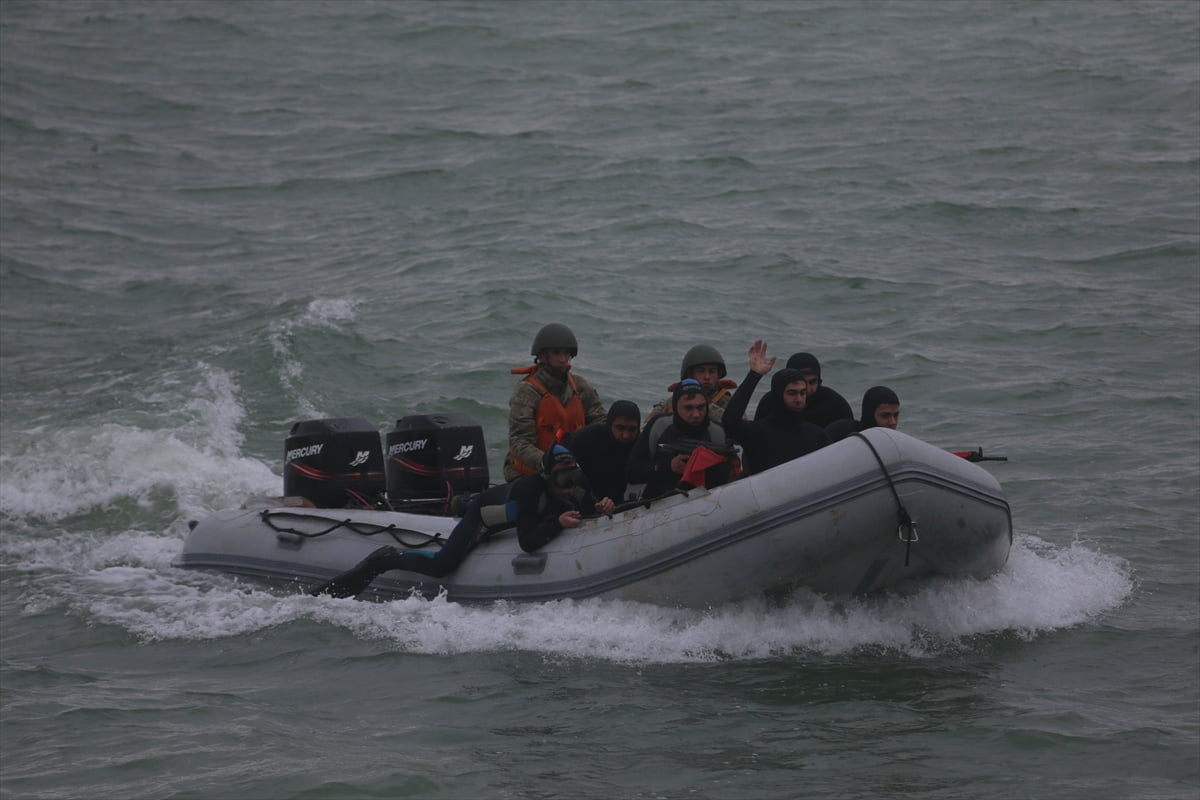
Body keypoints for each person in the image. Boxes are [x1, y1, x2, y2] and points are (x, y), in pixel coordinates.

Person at [311, 445, 615, 598]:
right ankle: (387, 559)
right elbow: (528, 541)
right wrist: (557, 523)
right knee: (443, 565)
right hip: (483, 517)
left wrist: (601, 505)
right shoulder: (529, 490)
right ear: (549, 475)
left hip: (514, 508)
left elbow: (589, 503)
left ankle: (461, 500)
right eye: (562, 477)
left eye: (572, 476)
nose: (569, 484)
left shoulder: (578, 482)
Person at [503, 322, 607, 482]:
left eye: (567, 354)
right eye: (557, 353)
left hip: (572, 471)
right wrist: (551, 463)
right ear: (542, 356)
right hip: (532, 473)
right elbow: (520, 441)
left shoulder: (580, 386)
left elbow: (601, 422)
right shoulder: (527, 392)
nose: (563, 359)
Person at [721, 340, 830, 475]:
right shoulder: (758, 433)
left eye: (803, 393)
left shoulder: (817, 436)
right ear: (778, 395)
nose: (799, 399)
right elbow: (730, 422)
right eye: (792, 393)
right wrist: (754, 375)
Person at [626, 379, 734, 500]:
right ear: (675, 407)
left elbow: (722, 482)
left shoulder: (717, 433)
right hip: (658, 502)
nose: (696, 414)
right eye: (688, 408)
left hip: (704, 502)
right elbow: (631, 472)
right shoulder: (659, 426)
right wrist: (669, 466)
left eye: (701, 407)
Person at [564, 400, 641, 504]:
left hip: (619, 501)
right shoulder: (586, 439)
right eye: (620, 428)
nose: (626, 435)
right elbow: (565, 476)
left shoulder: (642, 445)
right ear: (610, 425)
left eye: (632, 429)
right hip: (585, 498)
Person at [753, 351, 853, 428]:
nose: (807, 389)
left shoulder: (834, 404)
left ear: (820, 381)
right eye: (803, 382)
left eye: (813, 382)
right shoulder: (771, 402)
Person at [648, 344, 738, 425]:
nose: (707, 376)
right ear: (690, 375)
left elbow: (740, 427)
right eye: (701, 371)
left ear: (718, 375)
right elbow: (649, 429)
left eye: (712, 371)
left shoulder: (729, 403)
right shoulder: (672, 402)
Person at [826, 386, 901, 442]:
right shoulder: (840, 433)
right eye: (885, 416)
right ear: (870, 416)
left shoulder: (895, 442)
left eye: (896, 415)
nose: (893, 422)